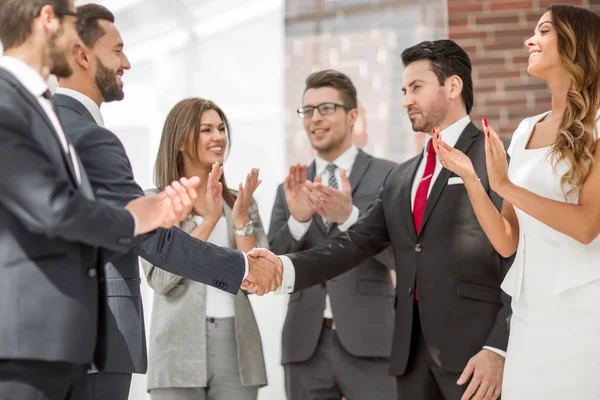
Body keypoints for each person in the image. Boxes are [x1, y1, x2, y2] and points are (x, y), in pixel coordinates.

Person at [248, 40, 512, 400]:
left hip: (475, 358)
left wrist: (498, 347)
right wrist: (283, 269)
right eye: (404, 90)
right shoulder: (402, 176)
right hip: (409, 360)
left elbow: (520, 259)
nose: (405, 100)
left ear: (452, 87)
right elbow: (354, 244)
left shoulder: (495, 156)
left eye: (416, 87)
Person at [52, 4, 279, 399]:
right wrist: (234, 256)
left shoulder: (48, 124)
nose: (127, 61)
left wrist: (238, 220)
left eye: (221, 128)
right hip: (104, 341)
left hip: (72, 337)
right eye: (117, 49)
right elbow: (156, 253)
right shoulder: (89, 137)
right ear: (82, 55)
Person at [0, 1, 198, 399]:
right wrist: (135, 218)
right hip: (26, 346)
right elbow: (52, 207)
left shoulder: (41, 106)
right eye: (74, 23)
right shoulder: (8, 101)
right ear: (48, 19)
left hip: (61, 346)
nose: (79, 38)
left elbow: (65, 235)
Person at [432, 5, 600, 399]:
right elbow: (508, 240)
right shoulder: (526, 130)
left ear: (576, 44)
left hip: (585, 311)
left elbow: (587, 226)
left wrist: (506, 185)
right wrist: (473, 179)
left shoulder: (598, 124)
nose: (530, 40)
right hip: (529, 317)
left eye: (543, 31)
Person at [268, 69, 397, 399]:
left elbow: (401, 256)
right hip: (304, 346)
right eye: (307, 110)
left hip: (372, 342)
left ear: (353, 115)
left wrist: (351, 218)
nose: (315, 119)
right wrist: (297, 221)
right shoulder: (292, 185)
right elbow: (271, 265)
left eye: (326, 108)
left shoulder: (390, 176)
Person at [142, 98, 268, 400]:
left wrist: (238, 219)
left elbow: (260, 280)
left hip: (236, 346)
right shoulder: (155, 201)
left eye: (222, 129)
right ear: (181, 140)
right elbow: (161, 280)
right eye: (206, 130)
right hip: (175, 347)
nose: (219, 137)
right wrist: (210, 220)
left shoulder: (241, 202)